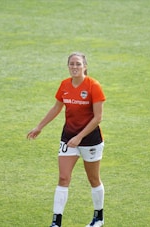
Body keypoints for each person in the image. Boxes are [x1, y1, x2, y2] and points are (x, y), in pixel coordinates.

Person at [27, 52, 106, 227]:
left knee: (93, 179)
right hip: (68, 138)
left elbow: (98, 118)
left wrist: (79, 137)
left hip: (90, 140)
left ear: (85, 66)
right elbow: (57, 107)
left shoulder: (93, 86)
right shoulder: (64, 85)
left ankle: (99, 218)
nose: (74, 67)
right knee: (63, 178)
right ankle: (56, 222)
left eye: (78, 64)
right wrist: (39, 127)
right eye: (71, 64)